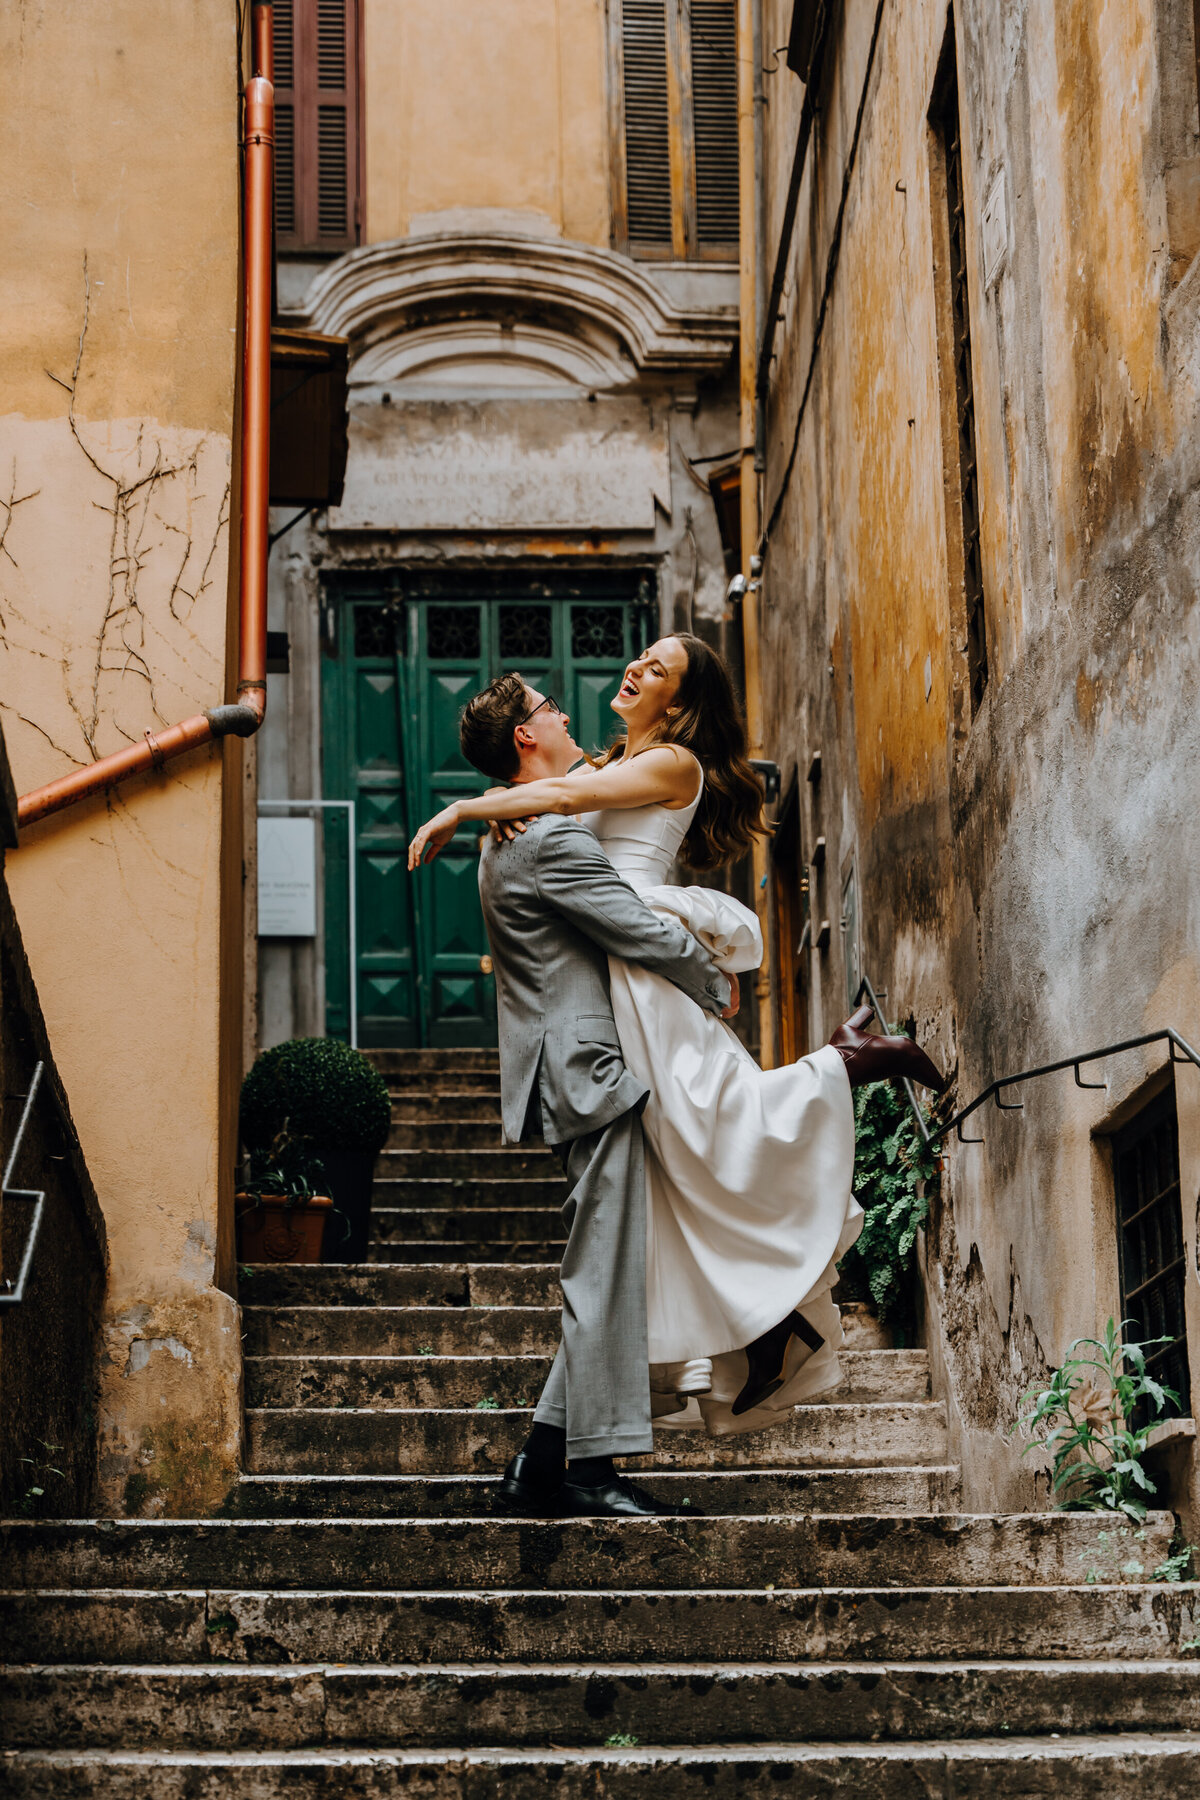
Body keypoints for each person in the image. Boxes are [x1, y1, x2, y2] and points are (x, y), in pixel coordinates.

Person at [409, 636, 942, 1438]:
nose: (634, 670)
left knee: (711, 1124)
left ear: (681, 703)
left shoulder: (673, 765)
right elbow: (551, 795)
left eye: (657, 670)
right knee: (676, 1177)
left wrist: (464, 807)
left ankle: (843, 1062)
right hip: (611, 974)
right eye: (643, 659)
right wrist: (505, 807)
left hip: (645, 961)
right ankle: (769, 1332)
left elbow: (552, 803)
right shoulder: (601, 767)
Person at [455, 672, 735, 1518]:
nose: (566, 713)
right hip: (588, 1072)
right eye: (548, 708)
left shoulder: (506, 832)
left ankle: (543, 1463)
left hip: (562, 1070)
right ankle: (587, 1470)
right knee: (603, 1272)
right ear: (524, 740)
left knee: (611, 1266)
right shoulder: (547, 839)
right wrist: (715, 979)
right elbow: (637, 928)